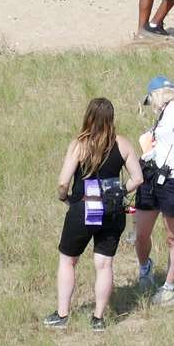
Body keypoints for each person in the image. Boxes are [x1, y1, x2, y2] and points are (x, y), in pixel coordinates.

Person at [46, 97, 145, 331]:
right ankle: (99, 319)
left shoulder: (79, 144)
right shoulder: (122, 144)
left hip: (84, 207)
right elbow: (138, 178)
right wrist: (118, 191)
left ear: (88, 116)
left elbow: (63, 183)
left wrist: (65, 198)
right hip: (113, 210)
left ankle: (62, 315)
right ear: (111, 119)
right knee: (104, 264)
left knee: (68, 261)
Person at [134, 76, 174, 306]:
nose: (150, 105)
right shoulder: (164, 115)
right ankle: (145, 269)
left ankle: (169, 289)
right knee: (141, 232)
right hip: (153, 177)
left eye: (150, 100)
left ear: (156, 96)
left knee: (173, 238)